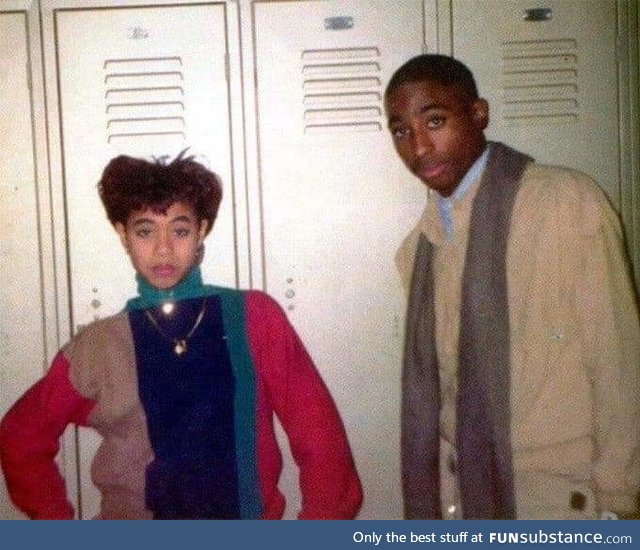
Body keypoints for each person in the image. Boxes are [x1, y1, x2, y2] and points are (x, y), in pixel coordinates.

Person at [0, 152, 362, 520]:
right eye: (145, 231)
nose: (163, 248)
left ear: (201, 229)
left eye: (180, 229)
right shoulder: (97, 347)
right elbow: (20, 437)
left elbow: (322, 440)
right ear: (122, 234)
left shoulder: (255, 318)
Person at [384, 54, 640, 520]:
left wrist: (621, 503)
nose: (419, 147)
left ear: (478, 114)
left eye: (435, 121)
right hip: (463, 502)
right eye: (401, 130)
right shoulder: (420, 248)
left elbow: (620, 366)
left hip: (562, 503)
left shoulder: (567, 205)